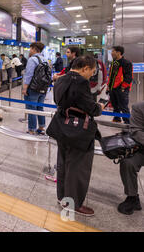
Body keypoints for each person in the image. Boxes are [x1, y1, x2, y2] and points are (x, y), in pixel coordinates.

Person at [53, 55, 105, 217]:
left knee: (63, 164)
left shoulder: (60, 79)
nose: (92, 74)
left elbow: (60, 100)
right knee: (77, 167)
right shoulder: (81, 82)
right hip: (78, 131)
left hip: (61, 127)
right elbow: (90, 108)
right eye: (92, 71)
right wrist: (100, 106)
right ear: (85, 68)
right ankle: (73, 203)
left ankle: (62, 197)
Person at [118, 101, 143, 215]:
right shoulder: (138, 108)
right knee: (127, 162)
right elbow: (136, 131)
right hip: (142, 149)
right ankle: (132, 197)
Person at [22, 42, 47, 135]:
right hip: (43, 88)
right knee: (40, 107)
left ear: (34, 49)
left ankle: (31, 129)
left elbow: (29, 75)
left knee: (31, 108)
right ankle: (41, 127)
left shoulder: (32, 59)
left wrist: (25, 88)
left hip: (33, 88)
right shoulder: (44, 59)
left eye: (30, 48)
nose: (29, 50)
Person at [108, 46, 133, 124]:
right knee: (115, 105)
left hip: (122, 88)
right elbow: (111, 75)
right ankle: (117, 118)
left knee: (123, 106)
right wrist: (108, 86)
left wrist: (123, 87)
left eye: (113, 51)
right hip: (113, 88)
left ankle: (128, 123)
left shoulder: (126, 63)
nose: (111, 53)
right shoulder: (114, 62)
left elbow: (129, 76)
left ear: (118, 52)